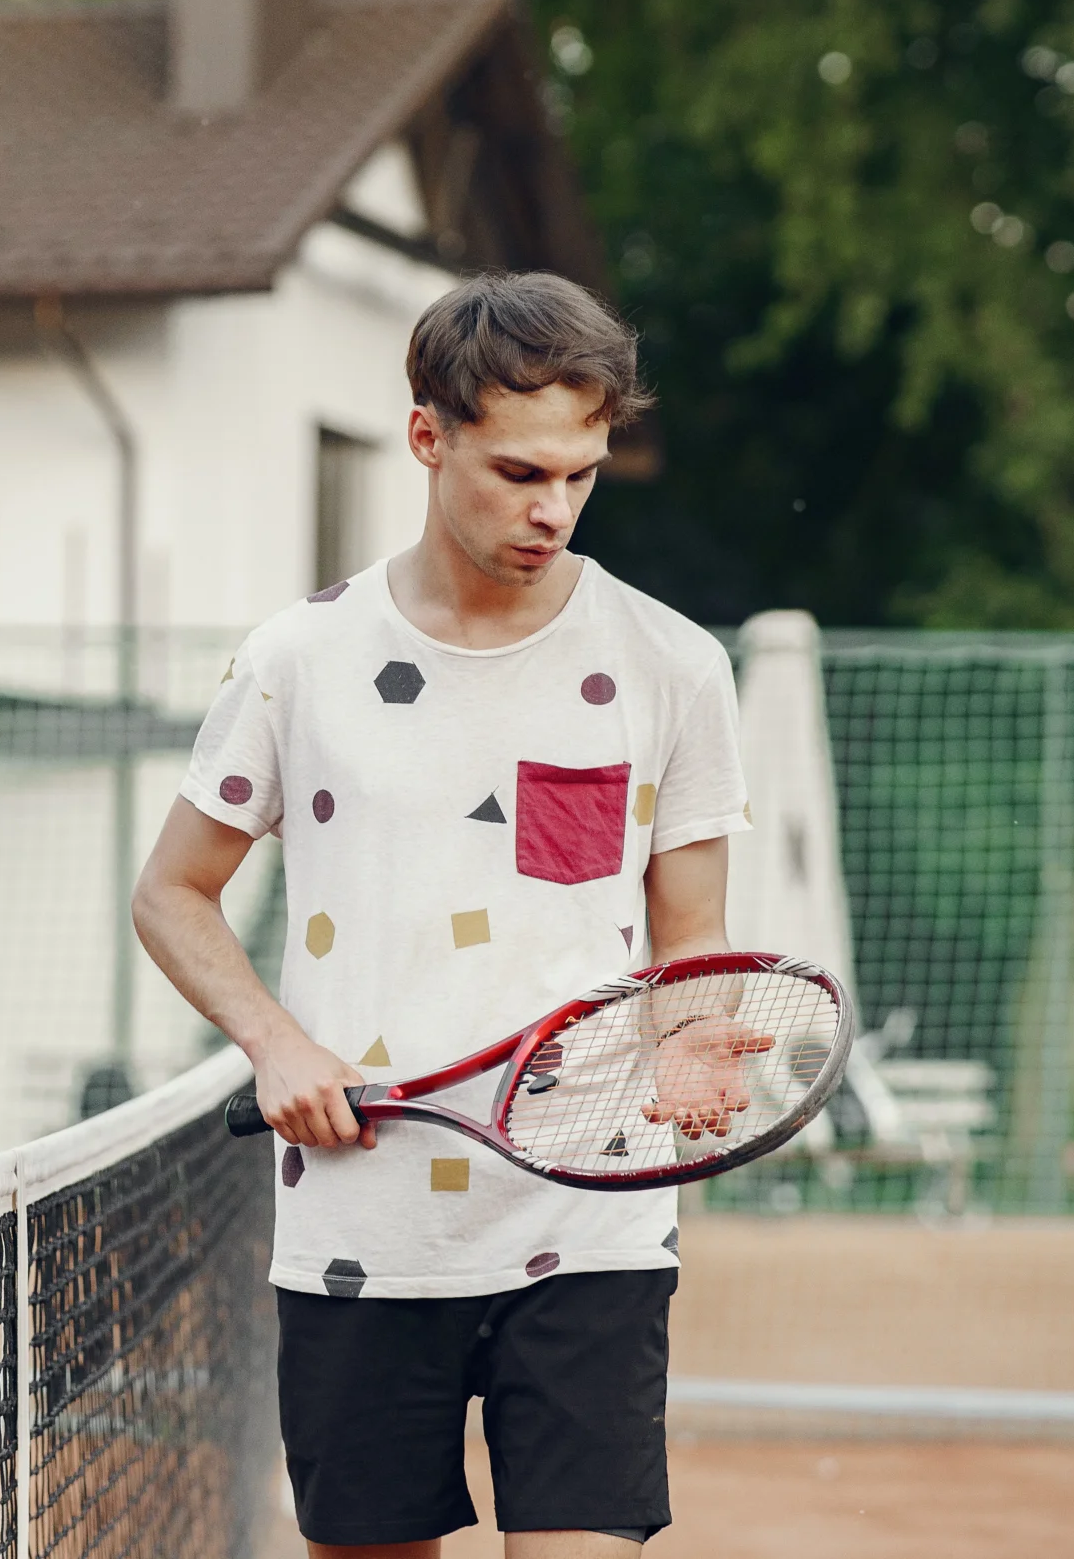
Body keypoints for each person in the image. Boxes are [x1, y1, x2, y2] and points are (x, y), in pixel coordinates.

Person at [133, 272, 748, 1556]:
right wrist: (275, 1043)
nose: (555, 509)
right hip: (362, 1227)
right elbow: (172, 893)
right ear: (427, 436)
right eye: (521, 472)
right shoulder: (295, 661)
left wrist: (692, 1041)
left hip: (591, 1221)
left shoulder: (676, 665)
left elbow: (692, 936)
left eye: (580, 475)